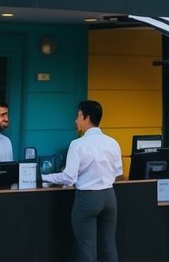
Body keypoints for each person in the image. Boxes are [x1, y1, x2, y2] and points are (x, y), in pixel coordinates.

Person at [42, 99, 123, 262]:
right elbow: (118, 172)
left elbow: (69, 177)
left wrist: (44, 177)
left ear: (86, 118)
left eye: (78, 115)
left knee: (86, 248)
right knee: (109, 246)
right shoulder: (112, 142)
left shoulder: (77, 144)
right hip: (109, 197)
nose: (75, 120)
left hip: (87, 198)